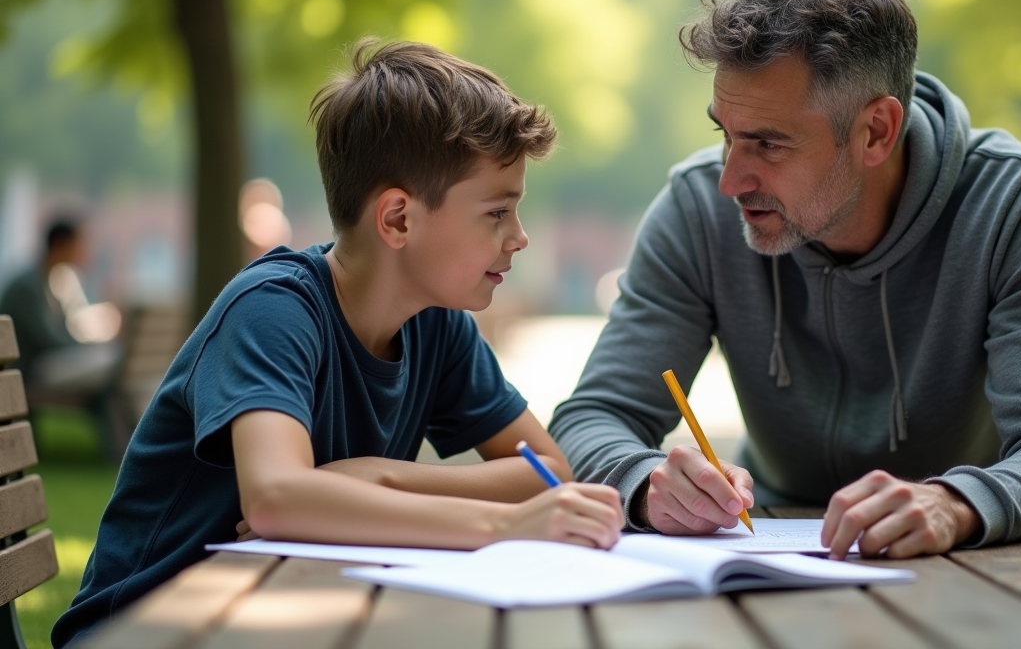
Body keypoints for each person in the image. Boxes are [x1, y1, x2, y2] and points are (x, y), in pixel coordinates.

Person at [53, 40, 623, 648]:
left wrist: (374, 477)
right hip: (150, 630)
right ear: (398, 219)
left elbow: (546, 471)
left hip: (283, 621)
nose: (520, 238)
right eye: (497, 213)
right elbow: (276, 498)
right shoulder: (274, 310)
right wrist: (503, 524)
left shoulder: (438, 322)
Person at [549, 0, 1021, 560]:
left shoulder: (1014, 206)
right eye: (725, 135)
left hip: (970, 561)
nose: (729, 180)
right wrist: (642, 482)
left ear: (876, 131)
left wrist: (955, 505)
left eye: (768, 143)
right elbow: (591, 418)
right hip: (762, 554)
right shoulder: (696, 212)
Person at [0, 219, 122, 394]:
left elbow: (62, 334)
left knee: (110, 369)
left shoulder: (51, 281)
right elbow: (49, 341)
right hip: (28, 373)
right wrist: (87, 347)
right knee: (110, 372)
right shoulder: (27, 287)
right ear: (60, 245)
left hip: (39, 366)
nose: (84, 252)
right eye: (79, 245)